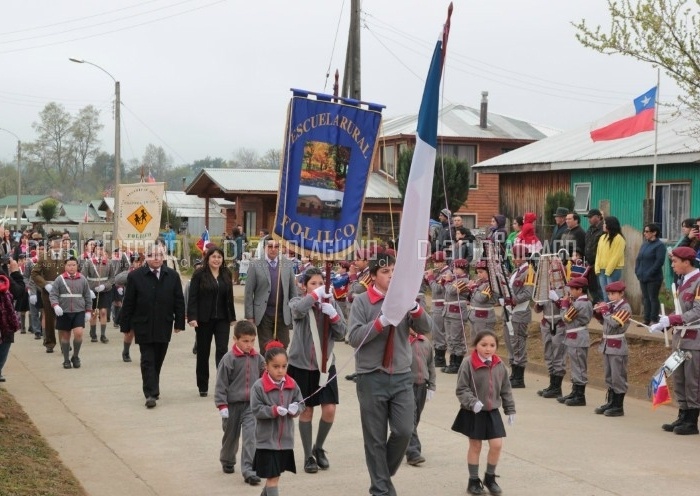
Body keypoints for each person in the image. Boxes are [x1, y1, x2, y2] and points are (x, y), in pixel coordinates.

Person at [346, 252, 433, 496]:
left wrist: (414, 308)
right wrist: (381, 322)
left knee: (404, 430)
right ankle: (382, 489)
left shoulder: (405, 298)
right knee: (374, 438)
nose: (391, 276)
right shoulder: (362, 302)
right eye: (385, 272)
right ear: (373, 276)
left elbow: (427, 328)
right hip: (371, 376)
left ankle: (382, 478)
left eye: (394, 271)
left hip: (401, 375)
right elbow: (353, 338)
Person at [287, 267, 346, 473]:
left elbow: (342, 334)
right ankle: (307, 456)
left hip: (325, 365)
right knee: (307, 411)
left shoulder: (331, 304)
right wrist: (314, 297)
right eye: (313, 283)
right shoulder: (297, 302)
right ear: (304, 286)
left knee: (329, 409)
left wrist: (333, 315)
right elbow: (297, 312)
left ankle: (319, 447)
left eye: (321, 284)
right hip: (302, 365)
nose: (318, 287)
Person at [119, 244, 185, 408]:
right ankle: (150, 393)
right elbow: (128, 302)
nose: (156, 258)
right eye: (152, 255)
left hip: (164, 323)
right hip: (143, 323)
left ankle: (153, 385)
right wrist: (125, 325)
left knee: (158, 358)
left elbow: (179, 301)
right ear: (146, 257)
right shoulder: (135, 277)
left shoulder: (173, 276)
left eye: (159, 255)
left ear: (163, 257)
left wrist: (179, 323)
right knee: (147, 359)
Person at [452, 330, 515, 495]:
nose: (488, 349)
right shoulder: (467, 363)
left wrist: (510, 409)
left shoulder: (500, 365)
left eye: (492, 345)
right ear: (476, 345)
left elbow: (506, 390)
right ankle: (473, 481)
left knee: (497, 445)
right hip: (474, 411)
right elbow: (461, 389)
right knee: (475, 445)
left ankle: (490, 477)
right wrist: (473, 402)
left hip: (492, 411)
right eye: (484, 345)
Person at [651, 247, 700, 434]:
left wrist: (672, 320)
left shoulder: (698, 281)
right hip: (680, 338)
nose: (672, 265)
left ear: (687, 262)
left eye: (675, 261)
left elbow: (697, 311)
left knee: (692, 381)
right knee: (679, 379)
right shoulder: (683, 281)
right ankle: (683, 415)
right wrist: (664, 323)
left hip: (694, 339)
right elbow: (681, 311)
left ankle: (691, 421)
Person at [250, 341, 305, 496]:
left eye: (284, 366)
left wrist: (296, 409)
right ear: (266, 366)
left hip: (285, 440)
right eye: (276, 366)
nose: (280, 370)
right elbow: (256, 409)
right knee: (273, 478)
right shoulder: (259, 387)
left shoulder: (292, 384)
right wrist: (273, 410)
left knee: (275, 477)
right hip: (267, 442)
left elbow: (301, 403)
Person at [214, 320, 265, 485]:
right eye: (245, 341)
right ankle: (227, 460)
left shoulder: (258, 358)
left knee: (251, 437)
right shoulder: (229, 360)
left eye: (252, 341)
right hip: (232, 405)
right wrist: (222, 406)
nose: (249, 345)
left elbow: (266, 374)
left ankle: (249, 470)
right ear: (235, 339)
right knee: (231, 436)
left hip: (251, 406)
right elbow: (221, 384)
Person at [188, 246, 237, 397]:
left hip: (222, 318)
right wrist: (192, 317)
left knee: (222, 351)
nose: (216, 260)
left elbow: (229, 297)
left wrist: (232, 317)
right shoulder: (199, 274)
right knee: (203, 351)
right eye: (213, 257)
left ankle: (223, 384)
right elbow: (193, 297)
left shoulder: (226, 273)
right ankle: (202, 385)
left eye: (219, 257)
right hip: (204, 319)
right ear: (208, 258)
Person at [244, 239, 298, 351]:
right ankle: (266, 368)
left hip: (282, 314)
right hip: (264, 314)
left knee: (283, 345)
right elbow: (249, 292)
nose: (273, 249)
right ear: (264, 248)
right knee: (266, 347)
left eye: (276, 246)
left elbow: (293, 290)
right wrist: (249, 316)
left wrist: (294, 312)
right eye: (270, 246)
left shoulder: (287, 264)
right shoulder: (255, 265)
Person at [591, 280, 631, 417]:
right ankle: (611, 401)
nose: (610, 297)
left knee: (618, 376)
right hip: (607, 345)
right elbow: (605, 323)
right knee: (609, 375)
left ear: (621, 293)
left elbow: (614, 323)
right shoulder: (612, 307)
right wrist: (598, 314)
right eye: (608, 294)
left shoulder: (625, 307)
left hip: (617, 345)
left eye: (613, 294)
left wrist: (605, 311)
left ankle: (618, 406)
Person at [554, 277, 594, 407]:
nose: (570, 291)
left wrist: (564, 305)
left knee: (579, 366)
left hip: (578, 336)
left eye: (572, 289)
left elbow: (565, 318)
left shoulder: (580, 304)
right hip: (574, 335)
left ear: (580, 290)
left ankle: (580, 395)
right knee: (575, 365)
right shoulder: (581, 302)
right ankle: (575, 392)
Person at [49, 257, 92, 369]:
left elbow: (87, 295)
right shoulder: (59, 279)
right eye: (69, 265)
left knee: (78, 333)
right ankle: (66, 359)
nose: (71, 267)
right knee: (66, 336)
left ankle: (76, 356)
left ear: (77, 266)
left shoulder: (82, 279)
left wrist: (88, 311)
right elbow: (53, 294)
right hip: (64, 312)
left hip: (79, 311)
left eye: (74, 265)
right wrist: (56, 305)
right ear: (65, 266)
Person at [31, 231, 68, 353]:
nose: (57, 244)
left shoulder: (67, 256)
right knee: (49, 318)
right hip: (48, 291)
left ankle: (64, 343)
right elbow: (34, 273)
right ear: (50, 243)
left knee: (63, 317)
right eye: (55, 242)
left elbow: (74, 271)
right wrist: (45, 284)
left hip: (64, 290)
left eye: (59, 242)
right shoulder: (44, 256)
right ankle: (50, 342)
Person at [405, 329, 436, 467]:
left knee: (415, 418)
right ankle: (413, 452)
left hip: (422, 385)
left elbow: (430, 365)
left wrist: (432, 386)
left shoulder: (425, 342)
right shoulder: (401, 342)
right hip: (405, 386)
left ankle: (401, 442)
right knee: (409, 418)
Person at [507, 245, 534, 388]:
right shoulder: (516, 271)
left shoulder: (529, 271)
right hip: (512, 311)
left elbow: (528, 293)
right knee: (512, 342)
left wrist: (513, 300)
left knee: (518, 342)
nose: (515, 259)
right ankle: (514, 373)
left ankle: (519, 377)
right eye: (514, 256)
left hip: (521, 310)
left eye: (517, 256)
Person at [80, 241, 115, 344]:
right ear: (94, 250)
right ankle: (93, 333)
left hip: (104, 290)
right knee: (93, 313)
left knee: (103, 312)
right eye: (98, 249)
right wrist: (88, 290)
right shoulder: (88, 263)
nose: (100, 251)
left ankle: (103, 335)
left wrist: (105, 285)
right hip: (92, 291)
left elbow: (112, 278)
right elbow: (83, 277)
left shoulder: (109, 263)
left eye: (102, 249)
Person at [634, 223, 666, 326]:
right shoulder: (645, 244)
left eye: (647, 231)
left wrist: (650, 273)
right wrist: (637, 271)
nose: (645, 233)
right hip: (642, 276)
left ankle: (654, 319)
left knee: (653, 298)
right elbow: (639, 259)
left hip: (654, 277)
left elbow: (659, 262)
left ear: (654, 233)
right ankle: (646, 319)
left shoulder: (659, 245)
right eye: (644, 231)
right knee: (645, 298)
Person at [442, 258, 470, 374]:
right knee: (450, 338)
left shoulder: (464, 280)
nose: (454, 271)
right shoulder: (455, 279)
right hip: (449, 311)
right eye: (453, 268)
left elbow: (451, 291)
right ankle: (452, 362)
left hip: (457, 313)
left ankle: (457, 363)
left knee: (456, 338)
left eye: (456, 268)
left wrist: (447, 282)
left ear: (463, 269)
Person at [115, 253, 144, 362]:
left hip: (144, 306)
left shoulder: (147, 273)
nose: (138, 264)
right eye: (136, 262)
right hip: (131, 306)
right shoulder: (129, 274)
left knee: (142, 333)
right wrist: (131, 273)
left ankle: (144, 354)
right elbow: (117, 279)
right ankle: (126, 351)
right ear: (132, 263)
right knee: (129, 332)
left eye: (140, 262)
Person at [424, 251, 451, 368]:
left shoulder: (446, 273)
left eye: (437, 262)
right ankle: (438, 356)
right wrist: (427, 279)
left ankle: (440, 358)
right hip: (437, 304)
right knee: (435, 331)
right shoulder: (440, 273)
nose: (435, 265)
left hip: (441, 305)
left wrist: (430, 277)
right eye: (434, 262)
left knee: (439, 332)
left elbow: (436, 289)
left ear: (443, 262)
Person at [0, 256, 25, 383]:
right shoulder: (2, 276)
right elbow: (18, 291)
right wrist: (15, 272)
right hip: (4, 320)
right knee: (5, 340)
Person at [595, 216, 625, 302]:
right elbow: (598, 254)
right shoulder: (602, 237)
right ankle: (606, 313)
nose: (603, 225)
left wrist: (608, 270)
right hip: (601, 270)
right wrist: (597, 268)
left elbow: (616, 256)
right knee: (605, 294)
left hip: (613, 270)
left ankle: (613, 312)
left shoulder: (619, 238)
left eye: (605, 223)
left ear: (610, 225)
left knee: (612, 294)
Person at [584, 209, 604, 302]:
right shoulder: (590, 229)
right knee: (592, 287)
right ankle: (597, 306)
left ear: (598, 217)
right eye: (588, 217)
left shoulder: (603, 230)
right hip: (589, 263)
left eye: (591, 217)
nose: (589, 219)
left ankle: (602, 308)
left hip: (598, 263)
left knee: (599, 287)